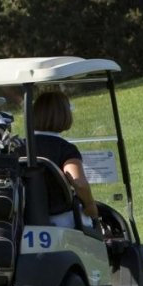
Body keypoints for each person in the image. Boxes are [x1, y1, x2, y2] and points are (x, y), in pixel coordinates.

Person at [29, 90, 99, 230]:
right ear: (64, 115)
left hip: (27, 221)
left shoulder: (20, 147)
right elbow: (79, 183)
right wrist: (90, 206)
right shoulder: (64, 148)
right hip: (63, 221)